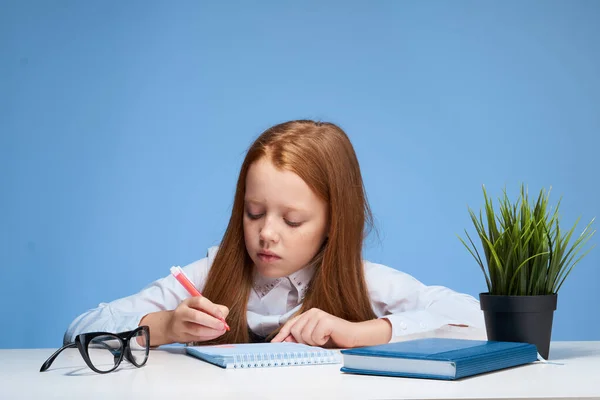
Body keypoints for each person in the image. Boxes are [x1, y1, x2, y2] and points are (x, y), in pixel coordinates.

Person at [65, 120, 485, 349]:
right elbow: (80, 329)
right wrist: (167, 326)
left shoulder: (365, 281)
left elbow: (480, 321)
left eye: (293, 221)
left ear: (333, 224)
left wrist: (362, 332)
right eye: (253, 213)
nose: (266, 233)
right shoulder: (211, 274)